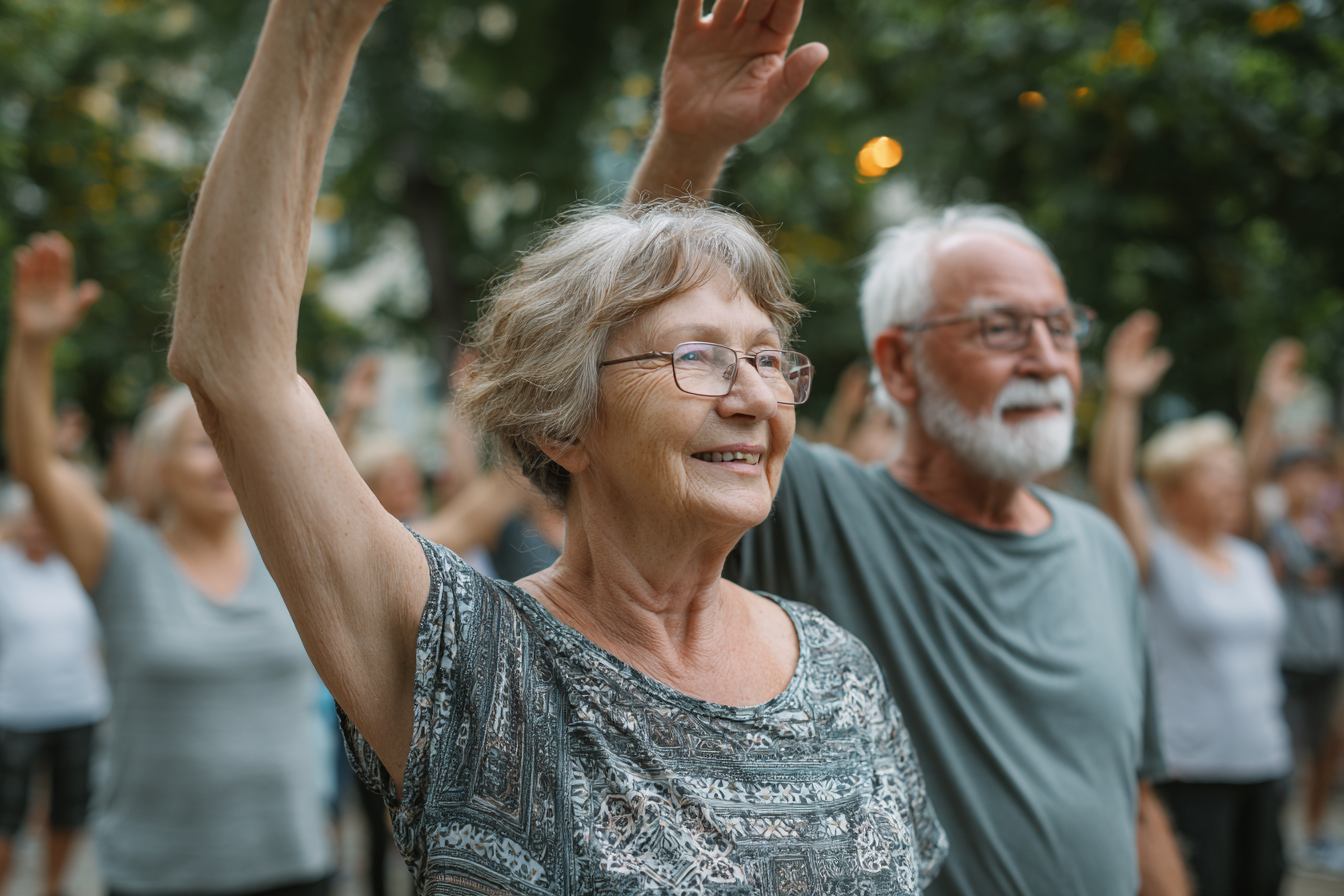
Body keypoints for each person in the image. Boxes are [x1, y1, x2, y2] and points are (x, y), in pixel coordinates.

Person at [168, 2, 948, 892]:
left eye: (770, 359)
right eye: (700, 358)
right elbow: (238, 371)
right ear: (562, 427)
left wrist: (688, 145)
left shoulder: (838, 668)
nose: (754, 396)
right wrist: (316, 28)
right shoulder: (476, 667)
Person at [627, 2, 1185, 894]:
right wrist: (689, 144)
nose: (1045, 358)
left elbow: (1138, 804)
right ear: (899, 361)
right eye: (1002, 328)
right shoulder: (817, 507)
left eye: (1059, 326)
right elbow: (646, 360)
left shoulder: (1103, 552)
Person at [4, 233, 334, 896]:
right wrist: (36, 344)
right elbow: (37, 462)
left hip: (294, 865)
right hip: (159, 875)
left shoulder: (287, 551)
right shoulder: (120, 553)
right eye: (199, 445)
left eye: (229, 444)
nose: (220, 458)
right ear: (158, 465)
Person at [1091, 311, 1293, 896]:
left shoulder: (1250, 556)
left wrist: (1267, 407)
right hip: (1192, 771)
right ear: (1172, 487)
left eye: (1235, 477)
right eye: (1215, 476)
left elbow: (1253, 468)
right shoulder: (1155, 555)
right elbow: (1112, 481)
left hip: (1265, 764)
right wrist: (1123, 399)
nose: (1233, 486)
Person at [0, 486, 110, 896]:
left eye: (45, 518)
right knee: (8, 811)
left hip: (80, 707)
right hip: (16, 712)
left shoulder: (80, 566)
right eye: (29, 518)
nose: (38, 527)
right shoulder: (4, 568)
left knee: (70, 808)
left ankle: (53, 886)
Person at [1266, 447, 1344, 872]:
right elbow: (1311, 575)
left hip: (1329, 655)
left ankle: (1315, 835)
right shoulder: (1275, 530)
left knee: (1327, 748)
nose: (1311, 485)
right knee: (1286, 756)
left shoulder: (1326, 527)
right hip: (1287, 656)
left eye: (1318, 476)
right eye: (1303, 476)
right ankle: (1274, 838)